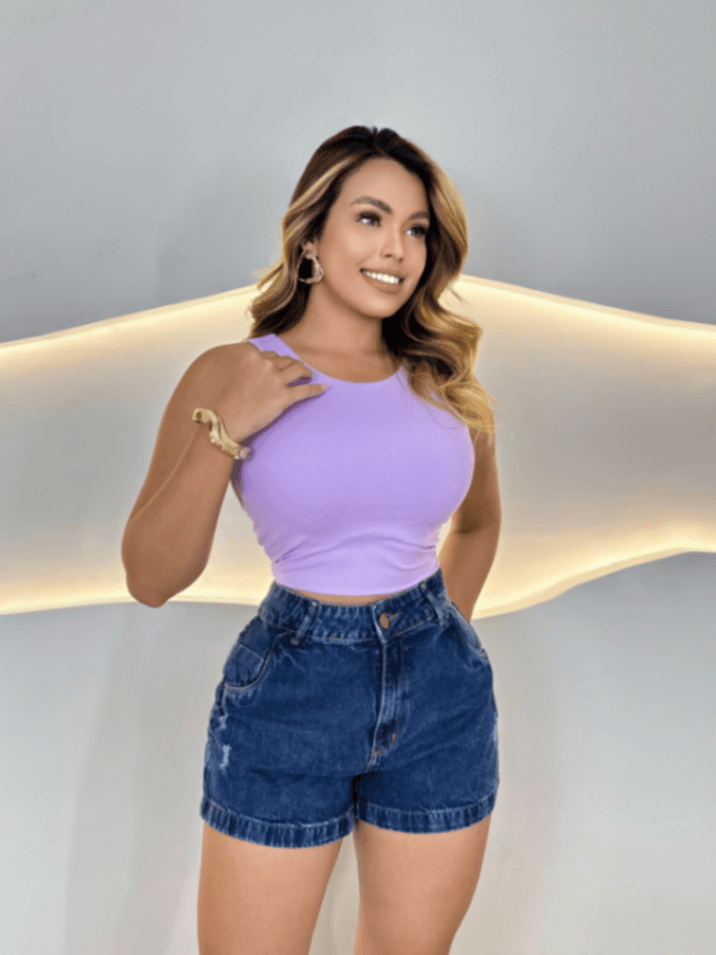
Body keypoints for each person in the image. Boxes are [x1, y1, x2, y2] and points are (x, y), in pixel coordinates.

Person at [121, 125, 502, 955]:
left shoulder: (442, 376)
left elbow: (478, 522)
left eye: (416, 228)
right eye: (370, 217)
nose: (396, 248)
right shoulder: (233, 371)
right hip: (292, 690)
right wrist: (227, 428)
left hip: (443, 698)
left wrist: (446, 633)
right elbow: (150, 577)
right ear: (311, 237)